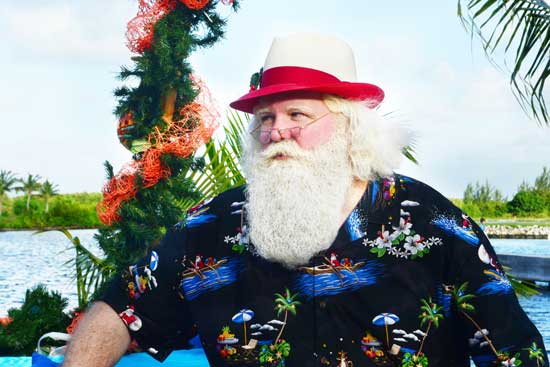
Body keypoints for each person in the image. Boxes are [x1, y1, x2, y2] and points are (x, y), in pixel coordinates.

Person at [62, 33, 547, 367]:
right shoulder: (209, 229)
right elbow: (121, 310)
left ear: (349, 127)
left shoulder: (435, 225)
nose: (278, 132)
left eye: (298, 113)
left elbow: (513, 351)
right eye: (266, 117)